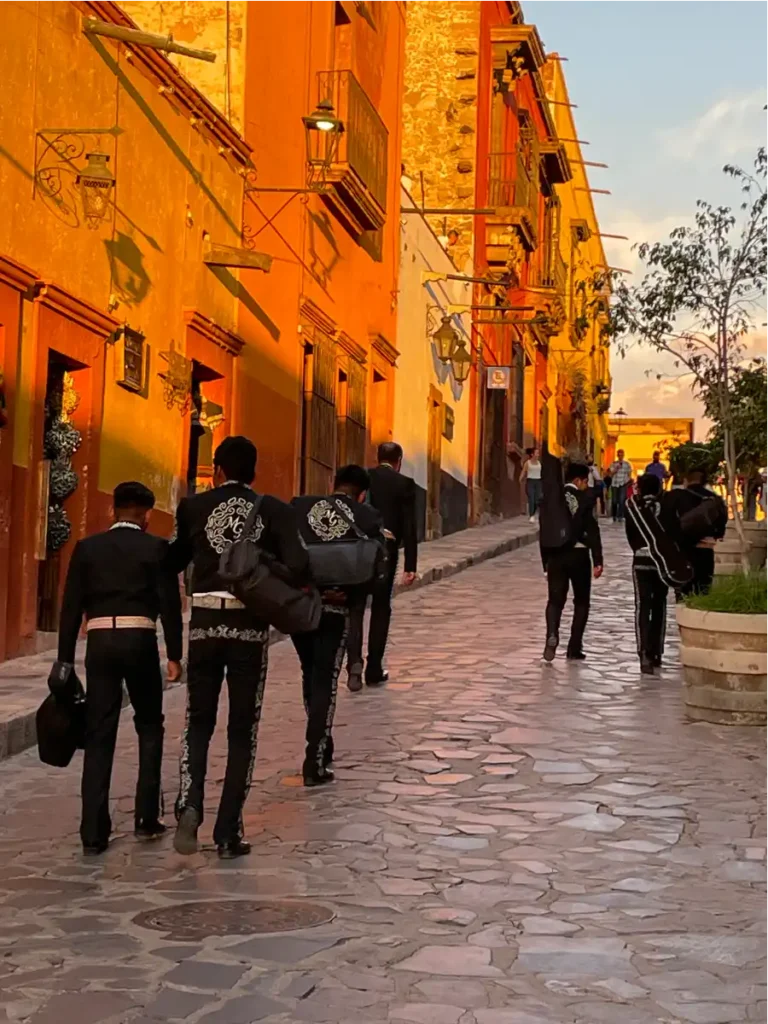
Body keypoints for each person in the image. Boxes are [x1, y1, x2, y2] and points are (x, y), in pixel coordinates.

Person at [169, 436, 308, 859]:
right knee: (242, 729)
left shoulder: (193, 508)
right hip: (248, 628)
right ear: (254, 471)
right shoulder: (275, 511)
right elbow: (301, 567)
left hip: (206, 626)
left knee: (198, 721)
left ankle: (190, 804)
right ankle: (228, 831)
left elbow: (173, 559)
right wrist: (263, 565)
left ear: (218, 470)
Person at [56, 482, 183, 855]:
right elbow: (170, 606)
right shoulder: (157, 548)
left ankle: (93, 831)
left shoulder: (87, 548)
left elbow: (69, 608)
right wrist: (174, 654)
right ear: (145, 516)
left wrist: (64, 658)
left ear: (113, 511)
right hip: (140, 639)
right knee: (149, 724)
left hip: (100, 643)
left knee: (99, 732)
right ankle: (146, 817)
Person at [292, 465, 385, 785]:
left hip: (303, 607)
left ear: (334, 485)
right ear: (362, 493)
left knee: (309, 673)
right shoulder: (368, 516)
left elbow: (286, 553)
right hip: (337, 609)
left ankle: (322, 743)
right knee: (325, 682)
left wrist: (310, 589)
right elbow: (374, 569)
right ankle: (315, 758)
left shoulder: (300, 507)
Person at [346, 442, 417, 690]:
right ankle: (374, 668)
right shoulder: (405, 484)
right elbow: (410, 526)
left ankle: (354, 663)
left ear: (378, 458)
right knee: (380, 607)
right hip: (386, 550)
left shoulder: (365, 478)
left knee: (355, 606)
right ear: (399, 460)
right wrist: (411, 564)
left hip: (359, 547)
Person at [541, 462, 604, 662]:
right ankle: (574, 647)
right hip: (579, 555)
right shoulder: (585, 498)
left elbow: (544, 530)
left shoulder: (553, 498)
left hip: (556, 556)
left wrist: (545, 561)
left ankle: (552, 634)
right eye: (585, 481)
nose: (586, 485)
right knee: (581, 601)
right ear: (578, 480)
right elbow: (593, 530)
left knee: (555, 601)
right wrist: (598, 559)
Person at [625, 473, 669, 675]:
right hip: (662, 562)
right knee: (660, 605)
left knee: (642, 606)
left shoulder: (634, 508)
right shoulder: (666, 507)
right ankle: (657, 651)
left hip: (641, 560)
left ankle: (643, 653)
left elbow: (631, 536)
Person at [661, 467, 728, 597]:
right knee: (703, 590)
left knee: (683, 592)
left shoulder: (675, 497)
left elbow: (666, 524)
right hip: (706, 550)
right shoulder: (714, 500)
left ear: (686, 480)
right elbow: (721, 528)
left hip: (683, 552)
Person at [609, 449, 633, 523]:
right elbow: (611, 473)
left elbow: (629, 473)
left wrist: (627, 481)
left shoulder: (627, 464)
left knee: (622, 500)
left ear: (623, 455)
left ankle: (620, 516)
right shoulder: (613, 463)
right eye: (619, 454)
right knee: (614, 501)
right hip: (615, 484)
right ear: (617, 455)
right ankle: (614, 516)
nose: (620, 456)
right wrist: (617, 467)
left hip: (623, 484)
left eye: (621, 454)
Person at [522, 447, 543, 522]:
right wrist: (520, 479)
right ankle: (531, 515)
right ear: (532, 454)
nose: (538, 454)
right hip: (530, 481)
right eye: (536, 453)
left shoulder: (539, 463)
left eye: (538, 453)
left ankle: (533, 512)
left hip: (538, 482)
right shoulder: (527, 463)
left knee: (537, 499)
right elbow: (523, 472)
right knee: (531, 498)